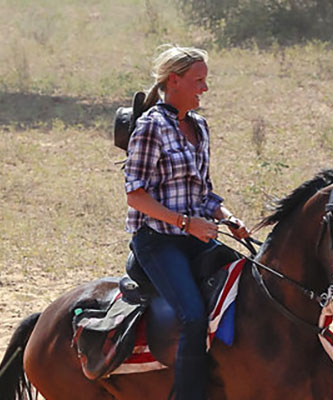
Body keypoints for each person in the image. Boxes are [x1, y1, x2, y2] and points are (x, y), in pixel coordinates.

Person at [123, 45, 249, 399]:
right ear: (173, 81)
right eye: (199, 81)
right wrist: (186, 223)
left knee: (250, 284)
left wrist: (228, 217)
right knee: (193, 315)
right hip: (158, 241)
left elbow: (203, 193)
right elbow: (136, 195)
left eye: (205, 81)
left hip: (195, 233)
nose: (204, 89)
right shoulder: (150, 127)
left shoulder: (200, 127)